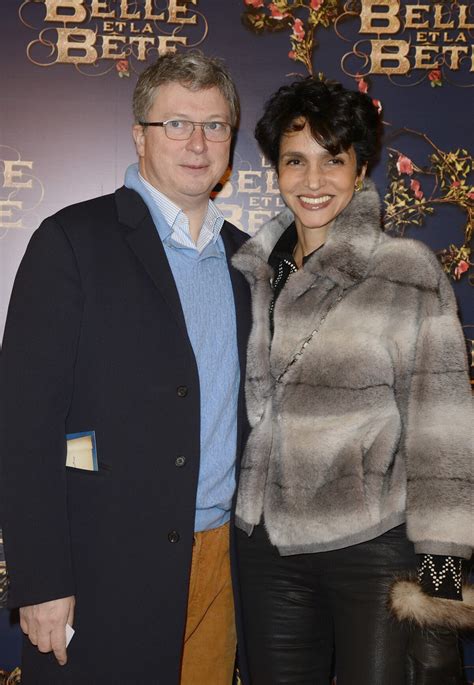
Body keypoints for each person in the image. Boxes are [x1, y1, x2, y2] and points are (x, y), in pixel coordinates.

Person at [0, 50, 251, 684]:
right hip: (100, 569)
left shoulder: (251, 261)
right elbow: (23, 425)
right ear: (139, 135)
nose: (197, 142)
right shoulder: (72, 242)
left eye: (215, 125)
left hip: (224, 567)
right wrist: (41, 582)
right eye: (176, 123)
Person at [232, 78, 473, 685]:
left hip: (373, 552)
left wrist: (440, 592)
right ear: (276, 170)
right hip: (266, 550)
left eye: (332, 160)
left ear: (361, 166)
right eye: (296, 161)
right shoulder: (251, 273)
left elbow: (442, 438)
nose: (313, 181)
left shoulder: (405, 270)